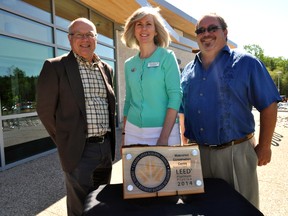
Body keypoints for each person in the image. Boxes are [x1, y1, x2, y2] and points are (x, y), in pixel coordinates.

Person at [179, 13, 281, 208]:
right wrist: (185, 147)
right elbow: (183, 111)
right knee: (199, 209)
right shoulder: (188, 71)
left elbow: (269, 104)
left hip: (235, 154)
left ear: (225, 33)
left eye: (212, 28)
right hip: (197, 155)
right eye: (200, 30)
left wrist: (265, 145)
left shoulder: (247, 63)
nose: (206, 33)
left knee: (241, 209)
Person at [36, 18, 116, 216]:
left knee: (101, 204)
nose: (85, 39)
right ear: (70, 39)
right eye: (79, 34)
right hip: (79, 151)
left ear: (96, 38)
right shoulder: (55, 67)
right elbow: (45, 111)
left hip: (105, 147)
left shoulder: (105, 68)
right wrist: (67, 140)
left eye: (89, 34)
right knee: (79, 208)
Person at [121, 7, 182, 146]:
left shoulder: (167, 57)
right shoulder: (129, 64)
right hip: (133, 131)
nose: (144, 29)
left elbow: (175, 96)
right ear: (134, 30)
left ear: (156, 30)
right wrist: (124, 135)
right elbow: (129, 100)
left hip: (164, 130)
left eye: (148, 24)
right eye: (139, 24)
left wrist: (164, 137)